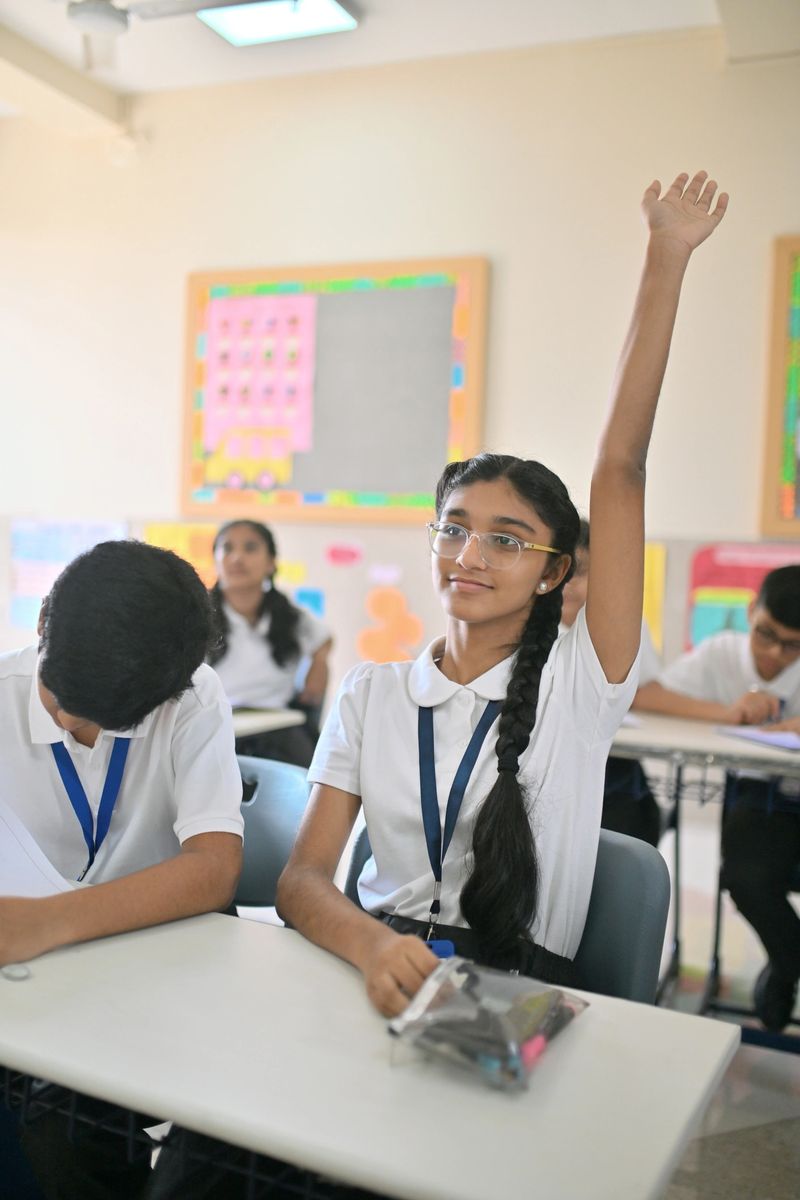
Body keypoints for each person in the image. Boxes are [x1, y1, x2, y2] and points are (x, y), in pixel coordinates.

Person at [276, 171, 728, 1019]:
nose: (469, 553)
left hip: (517, 996)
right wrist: (372, 944)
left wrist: (666, 254)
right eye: (453, 527)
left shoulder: (580, 685)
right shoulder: (373, 692)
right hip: (371, 970)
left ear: (556, 571)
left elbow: (620, 469)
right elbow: (302, 880)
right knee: (220, 1151)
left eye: (508, 540)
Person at [0, 539, 244, 1200]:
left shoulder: (191, 696)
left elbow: (214, 868)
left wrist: (46, 922)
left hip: (150, 965)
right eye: (60, 701)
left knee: (67, 1133)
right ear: (42, 618)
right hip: (31, 983)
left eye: (106, 720)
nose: (72, 722)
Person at [635, 564, 800, 1031]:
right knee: (745, 875)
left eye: (792, 645)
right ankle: (790, 963)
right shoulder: (721, 654)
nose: (774, 653)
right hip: (762, 793)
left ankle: (785, 968)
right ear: (751, 611)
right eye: (765, 633)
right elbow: (652, 699)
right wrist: (727, 712)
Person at [561, 517, 662, 846]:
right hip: (548, 769)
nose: (568, 584)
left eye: (581, 572)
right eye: (559, 570)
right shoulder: (518, 622)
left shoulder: (623, 621)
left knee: (623, 839)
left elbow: (644, 693)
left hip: (613, 772)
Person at [208, 520, 333, 767]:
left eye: (250, 548)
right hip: (216, 728)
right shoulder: (198, 615)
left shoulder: (289, 615)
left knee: (307, 777)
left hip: (278, 727)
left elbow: (325, 639)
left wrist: (319, 663)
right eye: (227, 548)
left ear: (271, 562)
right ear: (216, 561)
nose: (237, 558)